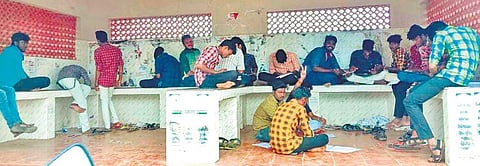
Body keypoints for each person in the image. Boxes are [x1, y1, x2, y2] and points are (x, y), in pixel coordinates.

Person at [403, 21, 479, 163]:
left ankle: (433, 144)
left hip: (451, 77)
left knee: (410, 100)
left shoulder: (441, 35)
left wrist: (433, 72)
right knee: (413, 90)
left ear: (435, 33)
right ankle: (416, 133)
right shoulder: (471, 32)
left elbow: (432, 66)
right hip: (468, 77)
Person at [269, 86, 329, 155]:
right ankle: (309, 148)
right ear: (304, 99)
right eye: (307, 100)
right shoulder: (300, 108)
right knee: (324, 138)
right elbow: (307, 133)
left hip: (275, 146)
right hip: (288, 146)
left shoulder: (282, 105)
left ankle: (307, 148)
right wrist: (313, 138)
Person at [93, 30, 123, 131]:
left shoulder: (98, 51)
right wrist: (119, 79)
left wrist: (96, 83)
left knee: (104, 103)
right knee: (108, 100)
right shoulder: (116, 50)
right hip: (112, 80)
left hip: (103, 80)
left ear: (98, 40)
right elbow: (121, 65)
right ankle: (116, 121)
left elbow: (98, 68)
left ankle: (107, 126)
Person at [384, 34, 413, 129]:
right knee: (395, 87)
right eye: (390, 44)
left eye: (393, 44)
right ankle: (399, 116)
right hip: (403, 76)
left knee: (400, 89)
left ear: (397, 44)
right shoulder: (395, 52)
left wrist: (386, 68)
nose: (391, 46)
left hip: (408, 75)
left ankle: (401, 117)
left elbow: (400, 68)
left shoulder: (400, 51)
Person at [56, 65, 92, 133]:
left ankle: (75, 102)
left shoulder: (67, 68)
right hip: (71, 81)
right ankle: (86, 128)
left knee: (84, 89)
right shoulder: (82, 69)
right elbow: (88, 82)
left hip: (61, 83)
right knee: (82, 103)